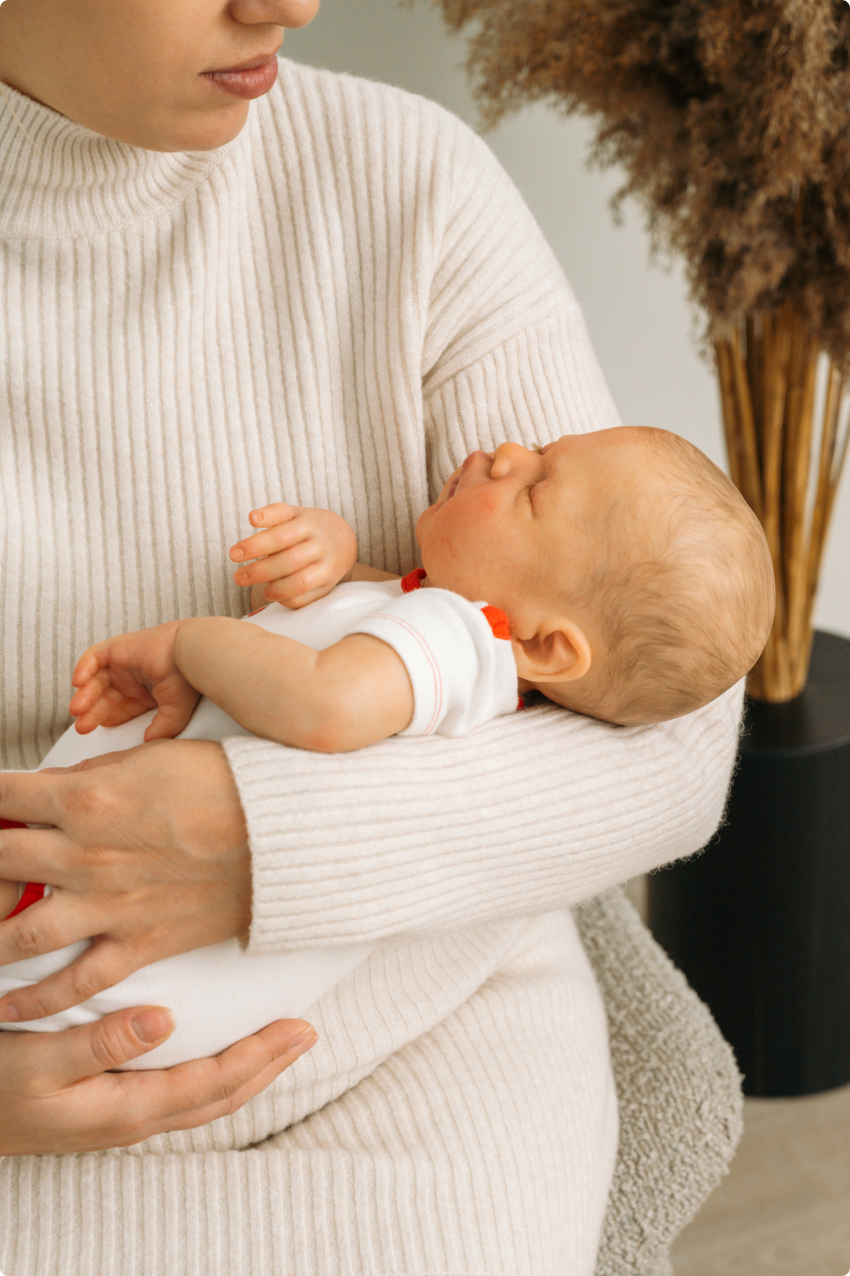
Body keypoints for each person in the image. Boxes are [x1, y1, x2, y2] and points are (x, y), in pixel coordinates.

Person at [0, 3, 748, 1274]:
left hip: (418, 1056)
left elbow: (672, 727)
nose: (289, 5)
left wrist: (263, 840)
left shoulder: (408, 186)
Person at [0, 426, 775, 1068]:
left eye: (535, 489)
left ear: (542, 644)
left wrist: (186, 644)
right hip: (139, 989)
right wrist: (336, 561)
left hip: (83, 928)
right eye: (541, 449)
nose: (510, 450)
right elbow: (351, 627)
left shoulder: (456, 634)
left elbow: (322, 704)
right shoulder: (447, 655)